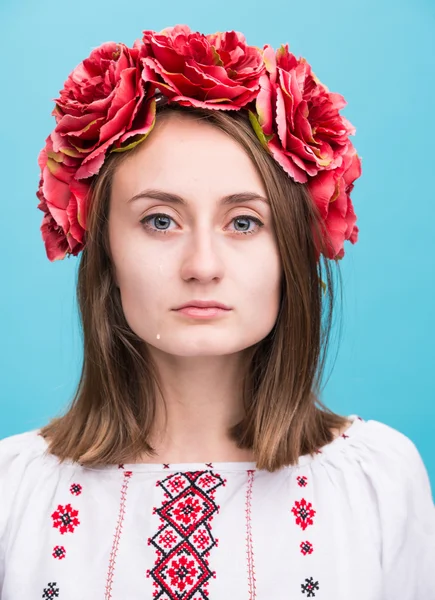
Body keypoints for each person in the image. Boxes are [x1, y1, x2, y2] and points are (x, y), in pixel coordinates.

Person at [0, 25, 434, 600]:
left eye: (244, 222)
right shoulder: (13, 491)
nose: (202, 265)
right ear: (104, 249)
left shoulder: (378, 481)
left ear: (292, 252)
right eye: (160, 220)